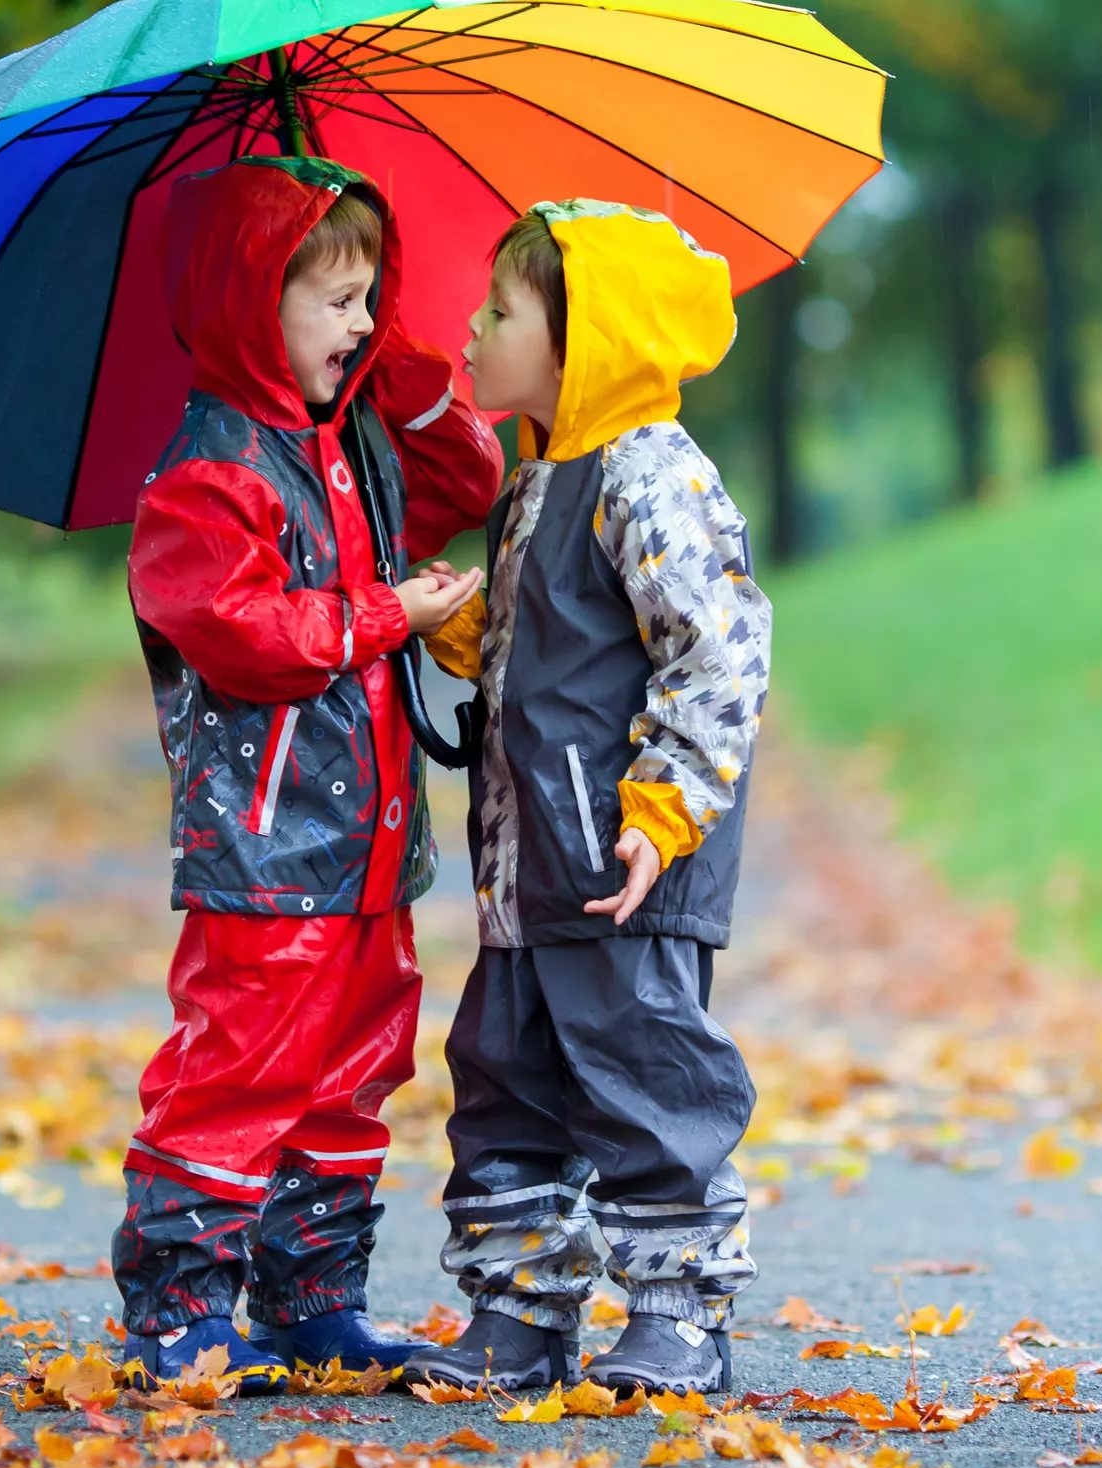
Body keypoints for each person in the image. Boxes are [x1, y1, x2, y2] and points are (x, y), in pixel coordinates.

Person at [111, 153, 499, 1391]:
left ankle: (311, 1293)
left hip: (370, 841)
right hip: (267, 845)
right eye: (337, 298)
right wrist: (382, 611)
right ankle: (181, 1306)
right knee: (242, 1066)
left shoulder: (354, 435)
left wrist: (388, 364)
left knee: (355, 1068)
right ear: (249, 299)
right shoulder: (207, 473)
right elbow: (241, 634)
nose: (364, 318)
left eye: (372, 293)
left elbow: (468, 477)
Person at [400, 200, 772, 1396]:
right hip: (527, 872)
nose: (473, 324)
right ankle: (520, 1315)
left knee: (647, 1081)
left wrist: (660, 814)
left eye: (500, 310)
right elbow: (547, 646)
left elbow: (716, 652)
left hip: (623, 865)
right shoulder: (541, 478)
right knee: (505, 1082)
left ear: (585, 341)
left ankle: (679, 1315)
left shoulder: (650, 473)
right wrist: (460, 624)